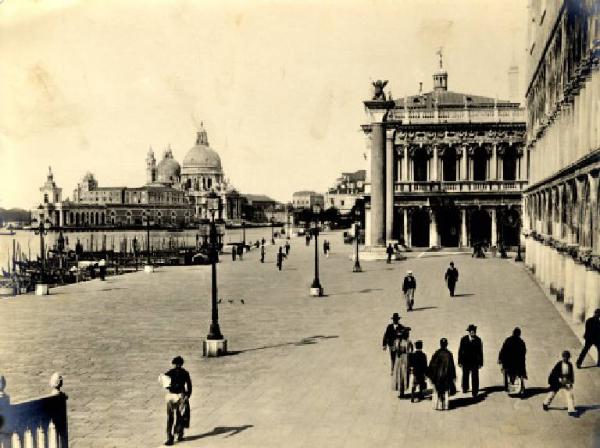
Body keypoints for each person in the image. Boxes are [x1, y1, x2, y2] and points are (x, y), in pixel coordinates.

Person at [164, 356, 192, 445]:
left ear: (181, 364)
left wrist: (187, 395)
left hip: (180, 395)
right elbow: (164, 382)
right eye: (176, 364)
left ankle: (179, 433)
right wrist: (168, 386)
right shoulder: (170, 373)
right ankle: (170, 436)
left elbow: (189, 385)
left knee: (180, 416)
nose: (177, 366)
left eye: (178, 364)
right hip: (172, 396)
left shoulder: (184, 373)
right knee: (171, 417)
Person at [427, 338, 457, 411]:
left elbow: (432, 365)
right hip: (446, 377)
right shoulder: (449, 354)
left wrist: (430, 375)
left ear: (440, 344)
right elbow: (452, 367)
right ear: (446, 344)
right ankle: (446, 406)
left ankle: (438, 406)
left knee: (437, 391)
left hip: (437, 377)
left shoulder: (437, 353)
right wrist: (453, 376)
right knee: (446, 391)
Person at [543, 350, 576, 416]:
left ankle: (571, 410)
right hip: (558, 382)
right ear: (563, 357)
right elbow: (554, 373)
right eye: (564, 357)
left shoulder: (570, 365)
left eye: (567, 357)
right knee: (552, 393)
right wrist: (559, 378)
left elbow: (571, 374)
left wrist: (571, 381)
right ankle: (545, 403)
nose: (566, 359)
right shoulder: (559, 364)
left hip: (566, 381)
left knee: (570, 395)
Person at [498, 327, 527, 395]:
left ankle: (507, 388)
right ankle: (519, 389)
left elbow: (503, 350)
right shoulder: (521, 342)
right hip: (517, 364)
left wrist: (500, 359)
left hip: (508, 363)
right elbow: (523, 353)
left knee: (507, 375)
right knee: (517, 376)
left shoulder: (508, 340)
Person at [458, 324, 483, 397]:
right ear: (469, 332)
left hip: (474, 362)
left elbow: (480, 352)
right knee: (465, 375)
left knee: (475, 376)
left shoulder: (478, 340)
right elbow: (460, 351)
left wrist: (480, 362)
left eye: (474, 331)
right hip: (465, 361)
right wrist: (460, 361)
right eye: (472, 331)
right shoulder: (463, 339)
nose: (473, 333)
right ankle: (465, 388)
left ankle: (475, 391)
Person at [393, 328, 414, 398]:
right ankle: (400, 392)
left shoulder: (408, 342)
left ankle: (402, 392)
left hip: (405, 360)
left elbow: (411, 351)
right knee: (399, 375)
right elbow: (395, 350)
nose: (407, 335)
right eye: (406, 333)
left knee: (404, 375)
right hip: (399, 360)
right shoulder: (398, 341)